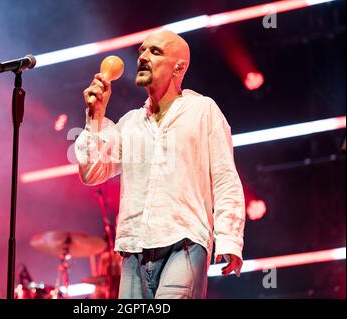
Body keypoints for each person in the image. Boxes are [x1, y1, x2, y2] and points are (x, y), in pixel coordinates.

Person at [75, 30, 246, 299]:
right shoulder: (129, 123)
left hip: (185, 241)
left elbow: (225, 178)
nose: (142, 56)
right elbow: (91, 172)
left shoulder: (203, 110)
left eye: (155, 52)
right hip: (134, 247)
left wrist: (230, 238)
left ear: (179, 66)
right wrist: (94, 117)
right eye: (142, 50)